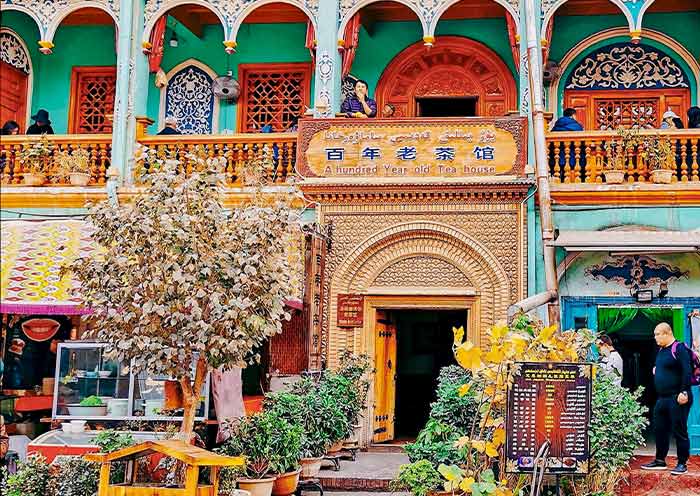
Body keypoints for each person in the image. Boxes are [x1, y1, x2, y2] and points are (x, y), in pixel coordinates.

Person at [642, 322, 692, 475]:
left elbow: (687, 371)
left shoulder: (679, 348)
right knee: (660, 429)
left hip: (677, 397)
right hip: (662, 398)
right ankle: (660, 460)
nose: (655, 337)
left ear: (667, 333)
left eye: (658, 334)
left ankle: (682, 463)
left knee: (679, 430)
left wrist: (684, 392)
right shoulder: (661, 350)